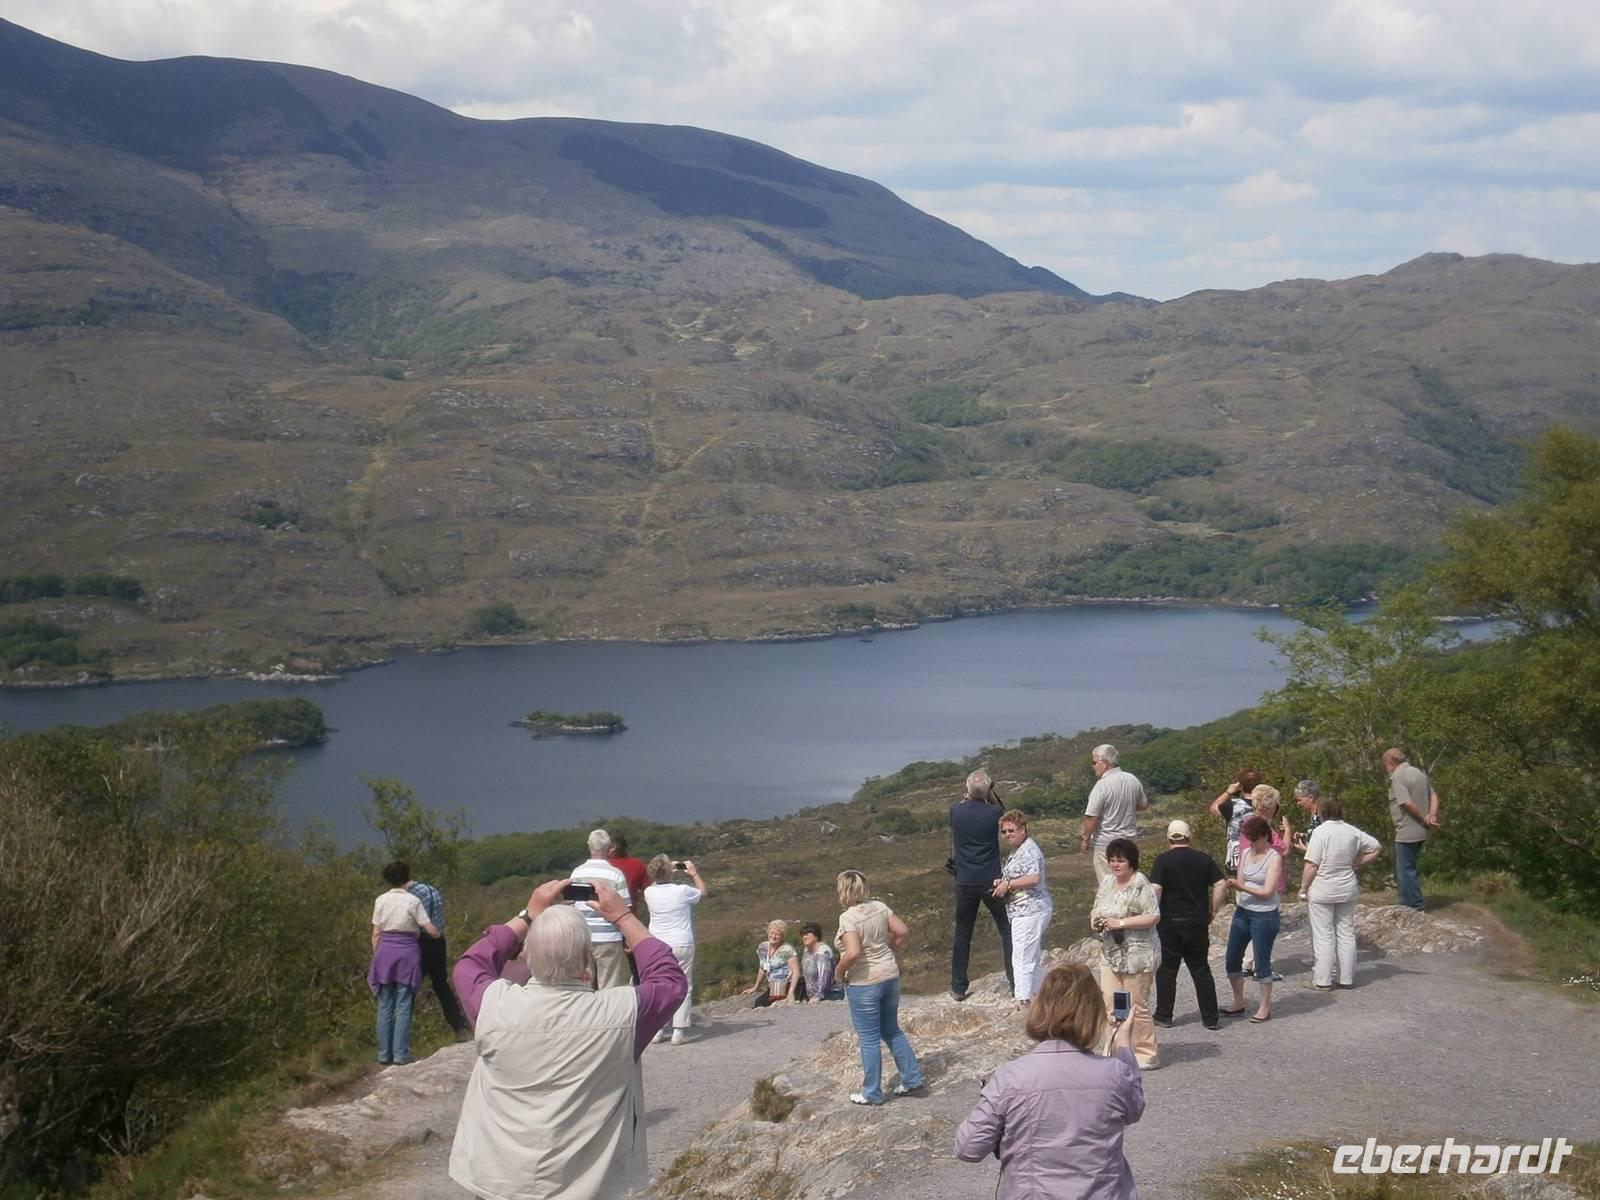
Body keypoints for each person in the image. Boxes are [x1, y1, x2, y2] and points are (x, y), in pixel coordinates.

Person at [447, 878, 686, 1200]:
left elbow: (470, 965)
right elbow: (669, 979)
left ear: (526, 955)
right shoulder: (622, 1013)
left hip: (499, 1183)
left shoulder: (494, 1006)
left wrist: (528, 916)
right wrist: (623, 917)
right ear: (587, 959)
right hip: (588, 1187)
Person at [955, 963, 1143, 1199]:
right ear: (1094, 1014)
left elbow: (968, 1148)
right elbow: (1135, 1109)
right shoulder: (1115, 1073)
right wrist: (1123, 1044)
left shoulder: (1010, 1078)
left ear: (1040, 1009)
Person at [835, 869, 925, 1105]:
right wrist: (890, 949)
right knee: (892, 1030)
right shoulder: (880, 907)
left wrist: (839, 972)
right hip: (889, 974)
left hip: (864, 981)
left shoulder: (848, 918)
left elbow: (852, 952)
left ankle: (872, 1092)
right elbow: (902, 931)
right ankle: (912, 1078)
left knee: (869, 1038)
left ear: (843, 891)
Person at [1088, 838, 1161, 1069]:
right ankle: (1115, 1049)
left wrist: (1120, 922)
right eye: (1112, 860)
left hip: (1136, 955)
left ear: (1131, 862)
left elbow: (1153, 916)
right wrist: (1096, 921)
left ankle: (1145, 1053)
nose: (1115, 865)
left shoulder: (1141, 884)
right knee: (1111, 1002)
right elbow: (1096, 907)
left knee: (1136, 1005)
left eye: (1120, 860)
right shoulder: (1107, 882)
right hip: (1111, 954)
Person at [1148, 819, 1227, 1030]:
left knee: (1167, 970)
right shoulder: (1203, 859)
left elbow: (1155, 889)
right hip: (1197, 920)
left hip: (1169, 922)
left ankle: (1164, 1015)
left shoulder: (1162, 861)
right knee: (1200, 969)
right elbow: (1221, 884)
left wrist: (1152, 915)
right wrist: (1213, 909)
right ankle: (1210, 1018)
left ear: (1168, 839)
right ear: (1189, 837)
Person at [1298, 797, 1383, 990]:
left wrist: (1303, 887)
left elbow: (1312, 864)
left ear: (1322, 812)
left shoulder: (1320, 832)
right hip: (1347, 886)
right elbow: (1376, 846)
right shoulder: (1352, 831)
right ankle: (1346, 978)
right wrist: (1357, 862)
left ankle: (1322, 980)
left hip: (1323, 888)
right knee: (1346, 933)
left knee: (1324, 935)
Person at [950, 768, 1014, 1001]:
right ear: (987, 790)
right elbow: (1007, 816)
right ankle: (1015, 982)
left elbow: (963, 803)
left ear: (967, 789)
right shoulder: (994, 812)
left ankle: (958, 986)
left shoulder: (956, 811)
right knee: (1006, 931)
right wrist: (990, 793)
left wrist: (971, 795)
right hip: (992, 881)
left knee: (963, 933)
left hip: (965, 881)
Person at [369, 860, 441, 1066]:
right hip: (407, 952)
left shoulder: (380, 900)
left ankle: (384, 1054)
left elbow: (376, 933)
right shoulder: (412, 901)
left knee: (384, 1005)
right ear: (406, 877)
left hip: (384, 952)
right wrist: (437, 934)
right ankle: (400, 1053)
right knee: (403, 1003)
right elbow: (429, 928)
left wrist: (377, 957)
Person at [1223, 815, 1283, 1022]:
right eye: (1249, 838)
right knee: (1232, 959)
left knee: (1262, 963)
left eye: (1255, 838)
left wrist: (1241, 887)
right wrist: (1234, 886)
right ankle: (1238, 1000)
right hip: (1243, 910)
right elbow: (1241, 879)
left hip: (1264, 914)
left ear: (1265, 836)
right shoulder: (1246, 852)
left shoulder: (1274, 857)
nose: (1251, 842)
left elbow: (1268, 891)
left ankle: (1265, 1006)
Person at [643, 854, 706, 1042]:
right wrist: (693, 874)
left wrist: (665, 870)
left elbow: (657, 882)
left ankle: (658, 1029)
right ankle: (679, 1030)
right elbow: (703, 892)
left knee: (659, 984)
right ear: (670, 871)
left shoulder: (649, 892)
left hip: (658, 944)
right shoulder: (683, 891)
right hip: (682, 942)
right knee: (684, 984)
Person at [994, 809, 1052, 1006]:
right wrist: (1003, 881)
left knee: (1022, 956)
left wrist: (1008, 885)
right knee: (1030, 954)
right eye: (1004, 831)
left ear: (1023, 829)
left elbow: (1033, 878)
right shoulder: (1018, 850)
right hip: (1022, 909)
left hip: (1030, 909)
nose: (1008, 835)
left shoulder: (1029, 851)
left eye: (1012, 830)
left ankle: (1023, 998)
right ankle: (1037, 993)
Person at [405, 873, 470, 1042]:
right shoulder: (432, 890)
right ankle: (460, 1028)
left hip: (420, 943)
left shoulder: (410, 895)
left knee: (409, 989)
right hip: (438, 941)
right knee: (442, 986)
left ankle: (401, 1039)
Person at [571, 829, 633, 988]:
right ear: (609, 848)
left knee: (584, 986)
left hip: (583, 936)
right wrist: (629, 937)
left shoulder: (577, 872)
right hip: (609, 937)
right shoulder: (616, 874)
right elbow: (625, 908)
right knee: (609, 987)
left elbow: (571, 905)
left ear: (588, 846)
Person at [1383, 748, 1441, 911]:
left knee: (1405, 870)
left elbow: (1406, 803)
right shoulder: (1418, 773)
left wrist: (1424, 819)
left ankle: (1413, 906)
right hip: (1421, 831)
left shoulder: (1398, 776)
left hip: (1407, 830)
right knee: (1409, 867)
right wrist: (1432, 815)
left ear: (1390, 763)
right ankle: (1408, 902)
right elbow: (1434, 796)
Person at [1081, 745, 1148, 883]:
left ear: (1104, 763)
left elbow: (1092, 817)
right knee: (1129, 883)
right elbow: (1143, 805)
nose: (1093, 766)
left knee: (1108, 885)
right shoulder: (1132, 779)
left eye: (1094, 762)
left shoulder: (1102, 785)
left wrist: (1085, 839)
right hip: (1129, 841)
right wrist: (1125, 806)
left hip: (1106, 844)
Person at [1209, 767, 1261, 873]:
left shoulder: (1232, 805)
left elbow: (1214, 808)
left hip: (1236, 861)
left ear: (1240, 786)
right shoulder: (1266, 805)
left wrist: (1228, 792)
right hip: (1263, 859)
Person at [742, 920, 799, 1007]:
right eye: (772, 933)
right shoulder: (763, 947)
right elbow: (762, 968)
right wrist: (756, 987)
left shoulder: (787, 950)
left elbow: (796, 972)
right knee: (759, 1003)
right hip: (772, 987)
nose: (773, 936)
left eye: (777, 934)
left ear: (782, 937)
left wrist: (791, 992)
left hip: (785, 986)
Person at [799, 921, 842, 1002]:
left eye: (807, 934)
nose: (804, 937)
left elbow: (825, 976)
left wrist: (818, 995)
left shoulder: (823, 952)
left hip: (829, 996)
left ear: (816, 936)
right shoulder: (806, 951)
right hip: (812, 997)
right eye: (803, 935)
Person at [608, 834, 651, 913]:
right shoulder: (638, 865)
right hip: (630, 917)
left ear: (612, 847)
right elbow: (647, 894)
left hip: (603, 917)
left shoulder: (604, 866)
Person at [1289, 779, 1323, 855]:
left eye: (1299, 800)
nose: (1298, 803)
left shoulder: (1321, 816)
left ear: (1311, 797)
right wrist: (1305, 836)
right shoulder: (1315, 815)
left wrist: (1307, 850)